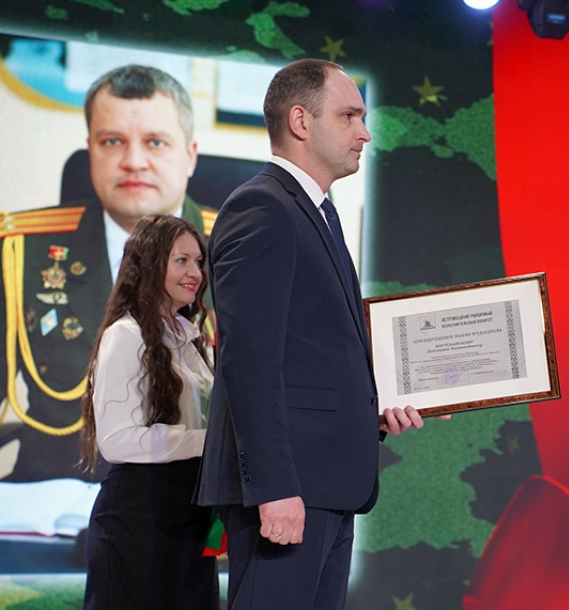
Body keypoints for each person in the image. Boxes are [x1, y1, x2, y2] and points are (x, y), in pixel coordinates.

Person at [194, 58, 428, 609]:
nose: (364, 132)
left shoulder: (315, 211)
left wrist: (374, 406)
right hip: (289, 491)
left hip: (325, 486)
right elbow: (249, 362)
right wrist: (274, 487)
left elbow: (312, 356)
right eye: (349, 116)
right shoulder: (263, 206)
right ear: (300, 121)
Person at [0, 64, 216, 488]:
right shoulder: (22, 250)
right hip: (55, 497)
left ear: (189, 155)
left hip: (193, 499)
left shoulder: (240, 250)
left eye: (155, 142)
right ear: (91, 150)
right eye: (112, 141)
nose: (133, 161)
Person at [79, 214, 218, 609]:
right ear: (149, 263)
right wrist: (210, 442)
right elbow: (117, 441)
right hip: (140, 519)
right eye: (181, 261)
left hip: (189, 514)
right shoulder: (125, 335)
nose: (195, 273)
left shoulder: (188, 337)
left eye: (198, 262)